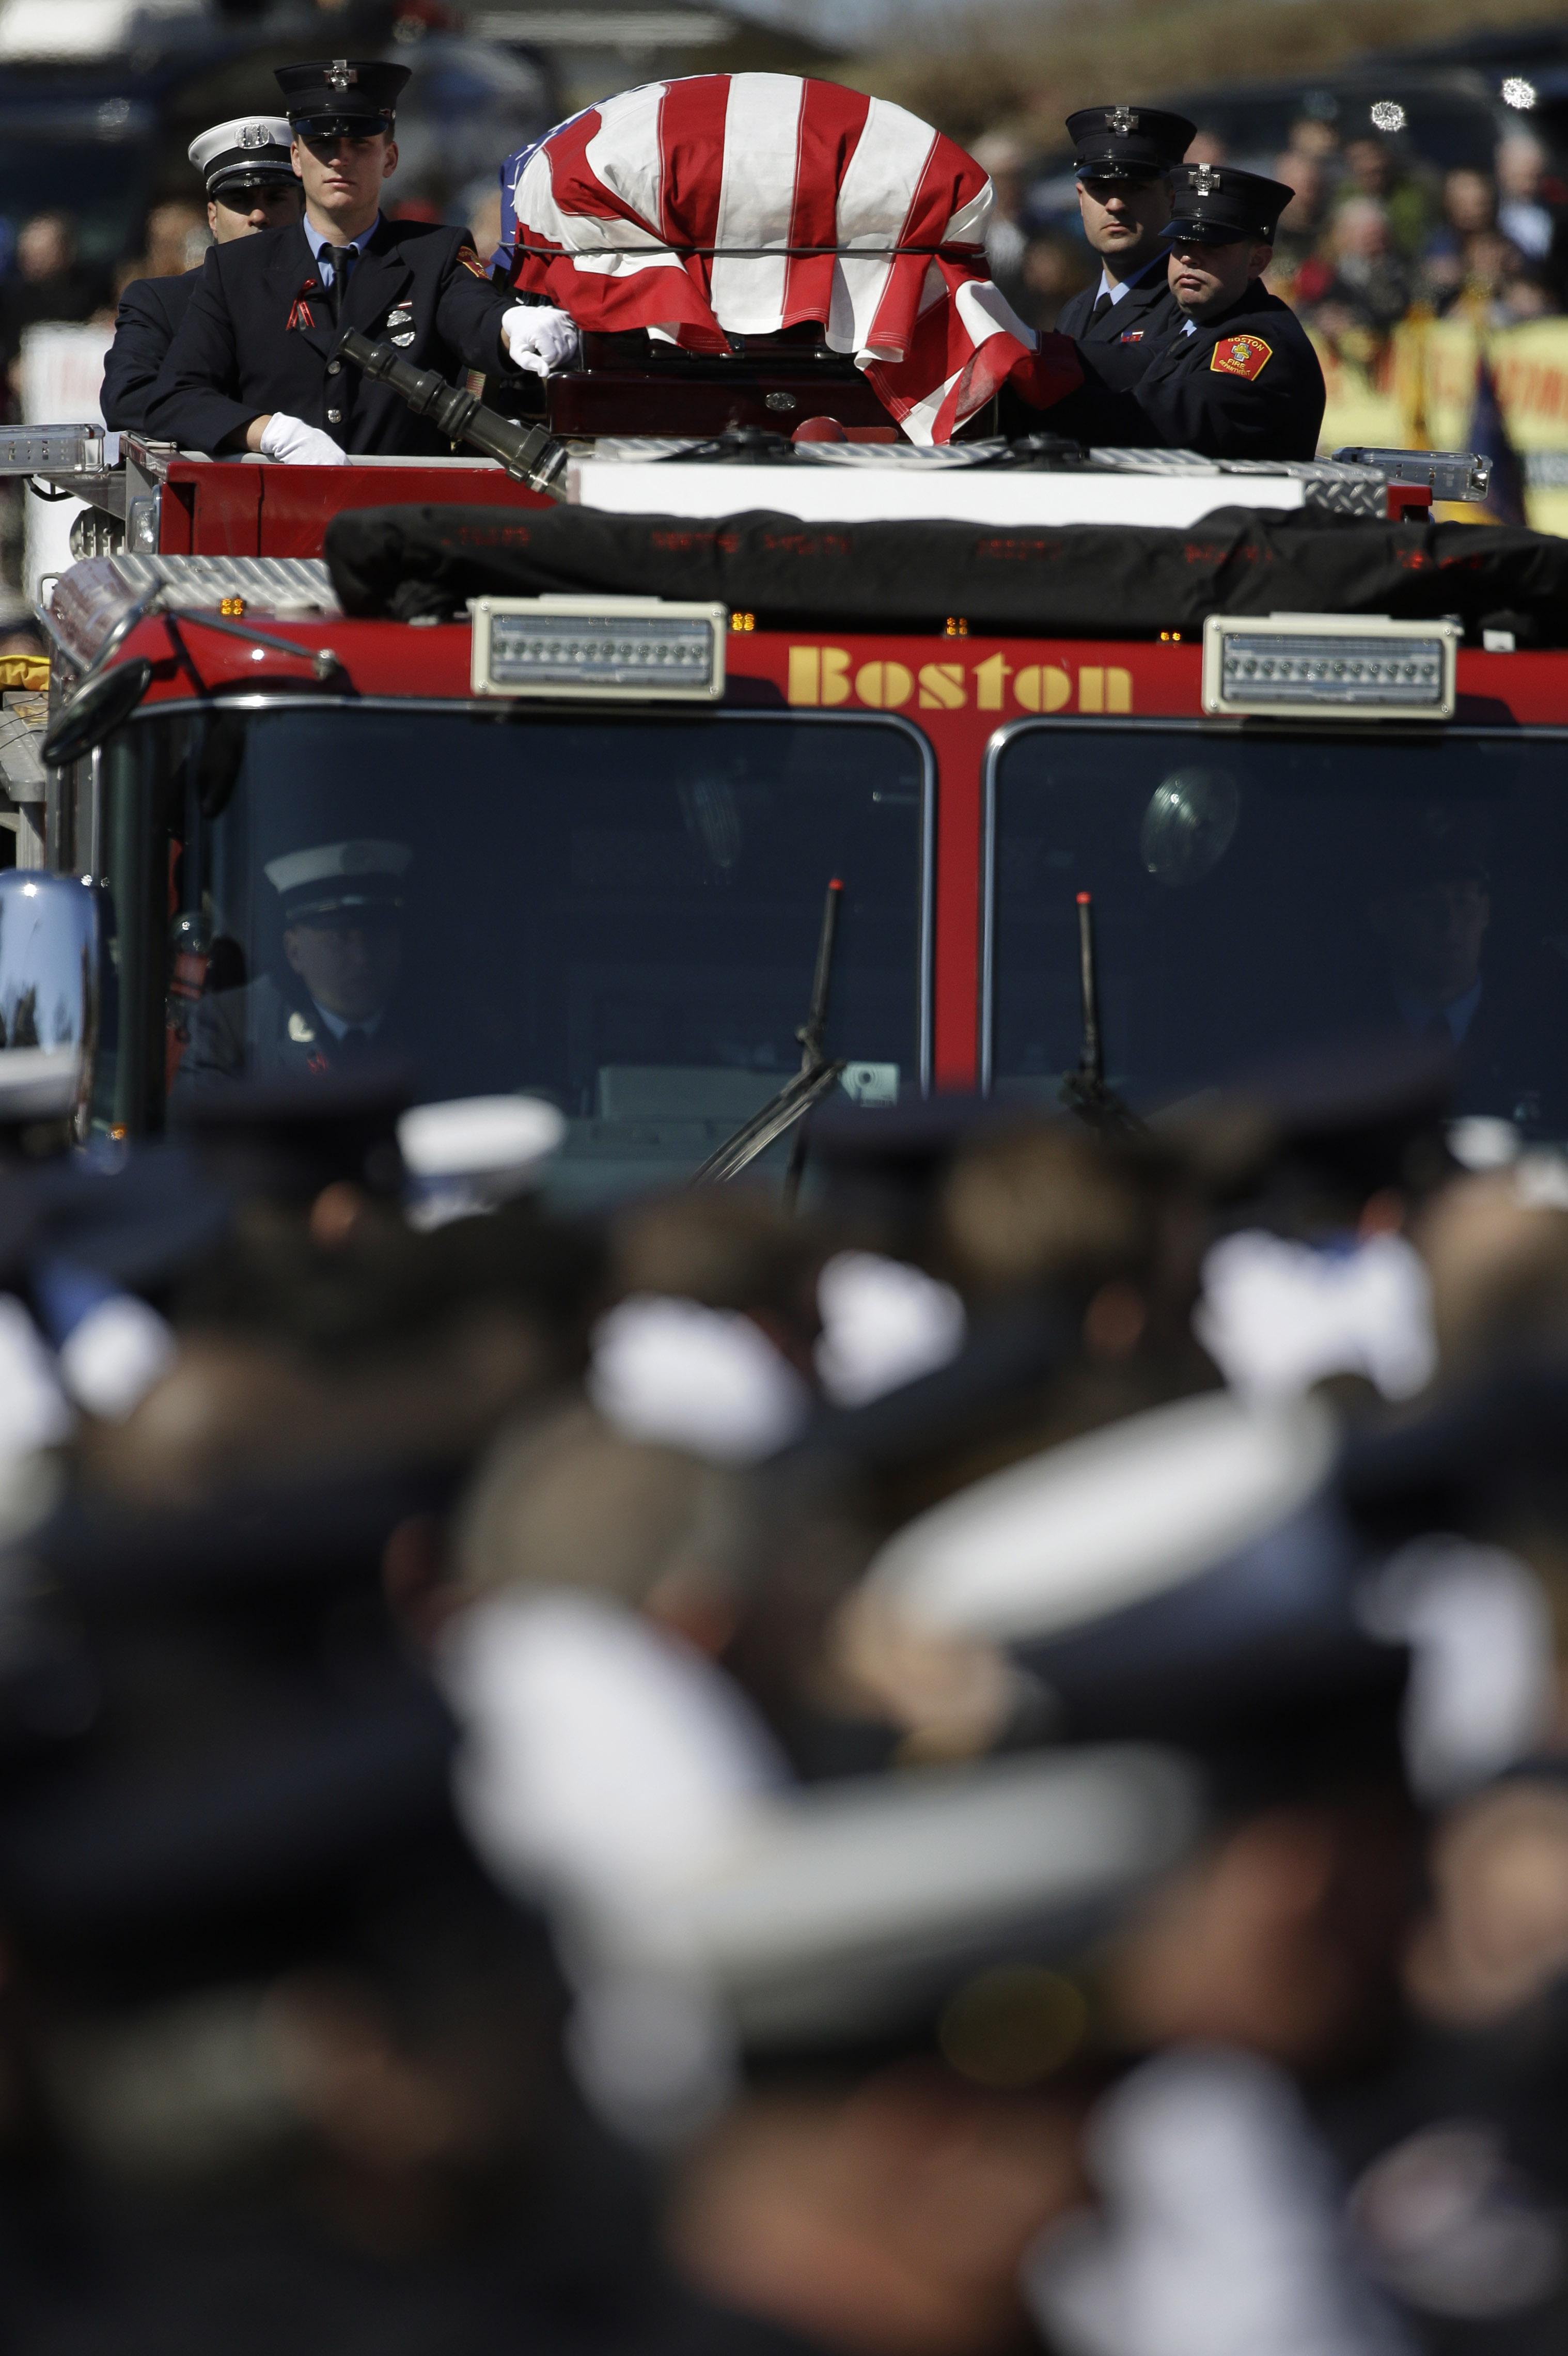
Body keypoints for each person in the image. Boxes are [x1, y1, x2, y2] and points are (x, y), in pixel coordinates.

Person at [145, 58, 551, 465]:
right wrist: (269, 432)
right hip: (275, 513)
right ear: (297, 158)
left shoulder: (433, 256)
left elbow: (475, 316)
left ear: (389, 159)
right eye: (321, 144)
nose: (340, 158)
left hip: (398, 516)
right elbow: (177, 398)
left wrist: (511, 325)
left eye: (360, 143)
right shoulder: (236, 269)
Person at [1010, 162, 1327, 463]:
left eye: (1213, 246)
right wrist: (1017, 350)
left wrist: (1034, 411)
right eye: (1182, 243)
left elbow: (1169, 417)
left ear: (1257, 261)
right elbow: (1122, 362)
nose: (1190, 258)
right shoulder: (1196, 328)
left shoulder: (1260, 341)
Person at [101, 117, 301, 436]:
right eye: (240, 201)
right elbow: (127, 398)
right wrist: (259, 432)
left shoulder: (327, 291)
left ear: (301, 210)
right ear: (213, 217)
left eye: (276, 198)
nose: (259, 216)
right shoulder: (161, 303)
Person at [178, 838, 415, 1087]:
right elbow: (200, 1119)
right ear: (294, 951)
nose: (362, 957)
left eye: (376, 935)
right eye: (338, 939)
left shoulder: (443, 1018)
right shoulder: (233, 1026)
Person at [1052, 103, 1196, 389]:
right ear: (1081, 199)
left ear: (1172, 198)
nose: (1115, 205)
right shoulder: (1075, 311)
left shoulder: (1191, 301)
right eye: (1100, 189)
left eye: (1135, 188)